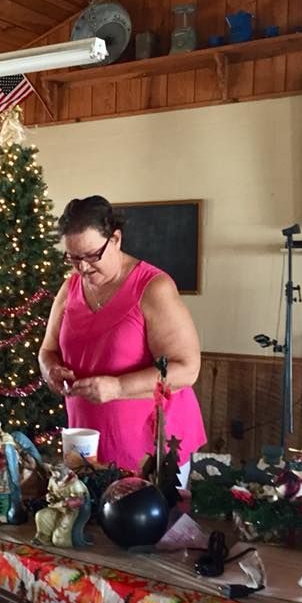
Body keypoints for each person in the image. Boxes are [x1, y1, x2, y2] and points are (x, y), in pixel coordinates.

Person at [39, 196, 206, 482]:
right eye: (74, 258)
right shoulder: (70, 287)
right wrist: (51, 371)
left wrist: (118, 387)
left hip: (150, 451)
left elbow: (187, 369)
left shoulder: (153, 287)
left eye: (92, 255)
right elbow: (47, 350)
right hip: (88, 446)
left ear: (116, 238)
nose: (84, 268)